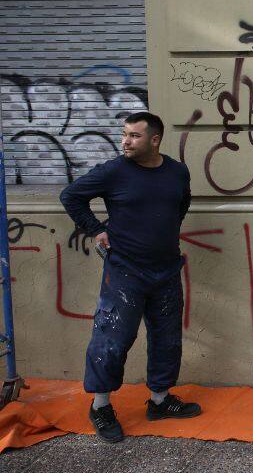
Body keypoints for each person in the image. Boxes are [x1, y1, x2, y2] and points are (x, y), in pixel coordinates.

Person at [60, 112, 200, 443]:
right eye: (124, 134)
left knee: (167, 338)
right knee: (113, 339)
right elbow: (71, 196)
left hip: (166, 269)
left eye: (134, 136)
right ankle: (100, 406)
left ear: (155, 140)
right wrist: (96, 230)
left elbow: (180, 206)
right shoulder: (113, 171)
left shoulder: (177, 172)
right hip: (125, 270)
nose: (125, 141)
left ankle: (160, 401)